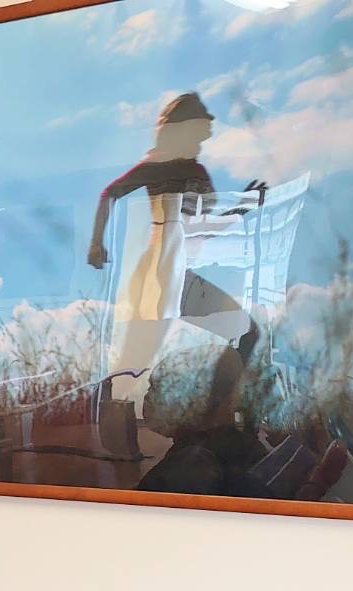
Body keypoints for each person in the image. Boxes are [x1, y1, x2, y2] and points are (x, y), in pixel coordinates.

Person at [88, 92, 265, 433]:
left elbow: (197, 230)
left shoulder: (195, 169)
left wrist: (242, 207)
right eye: (198, 132)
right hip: (158, 275)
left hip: (179, 275)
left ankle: (216, 417)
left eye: (204, 134)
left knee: (246, 333)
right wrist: (96, 243)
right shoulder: (161, 166)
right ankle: (109, 424)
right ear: (182, 130)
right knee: (136, 359)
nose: (202, 140)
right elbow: (109, 193)